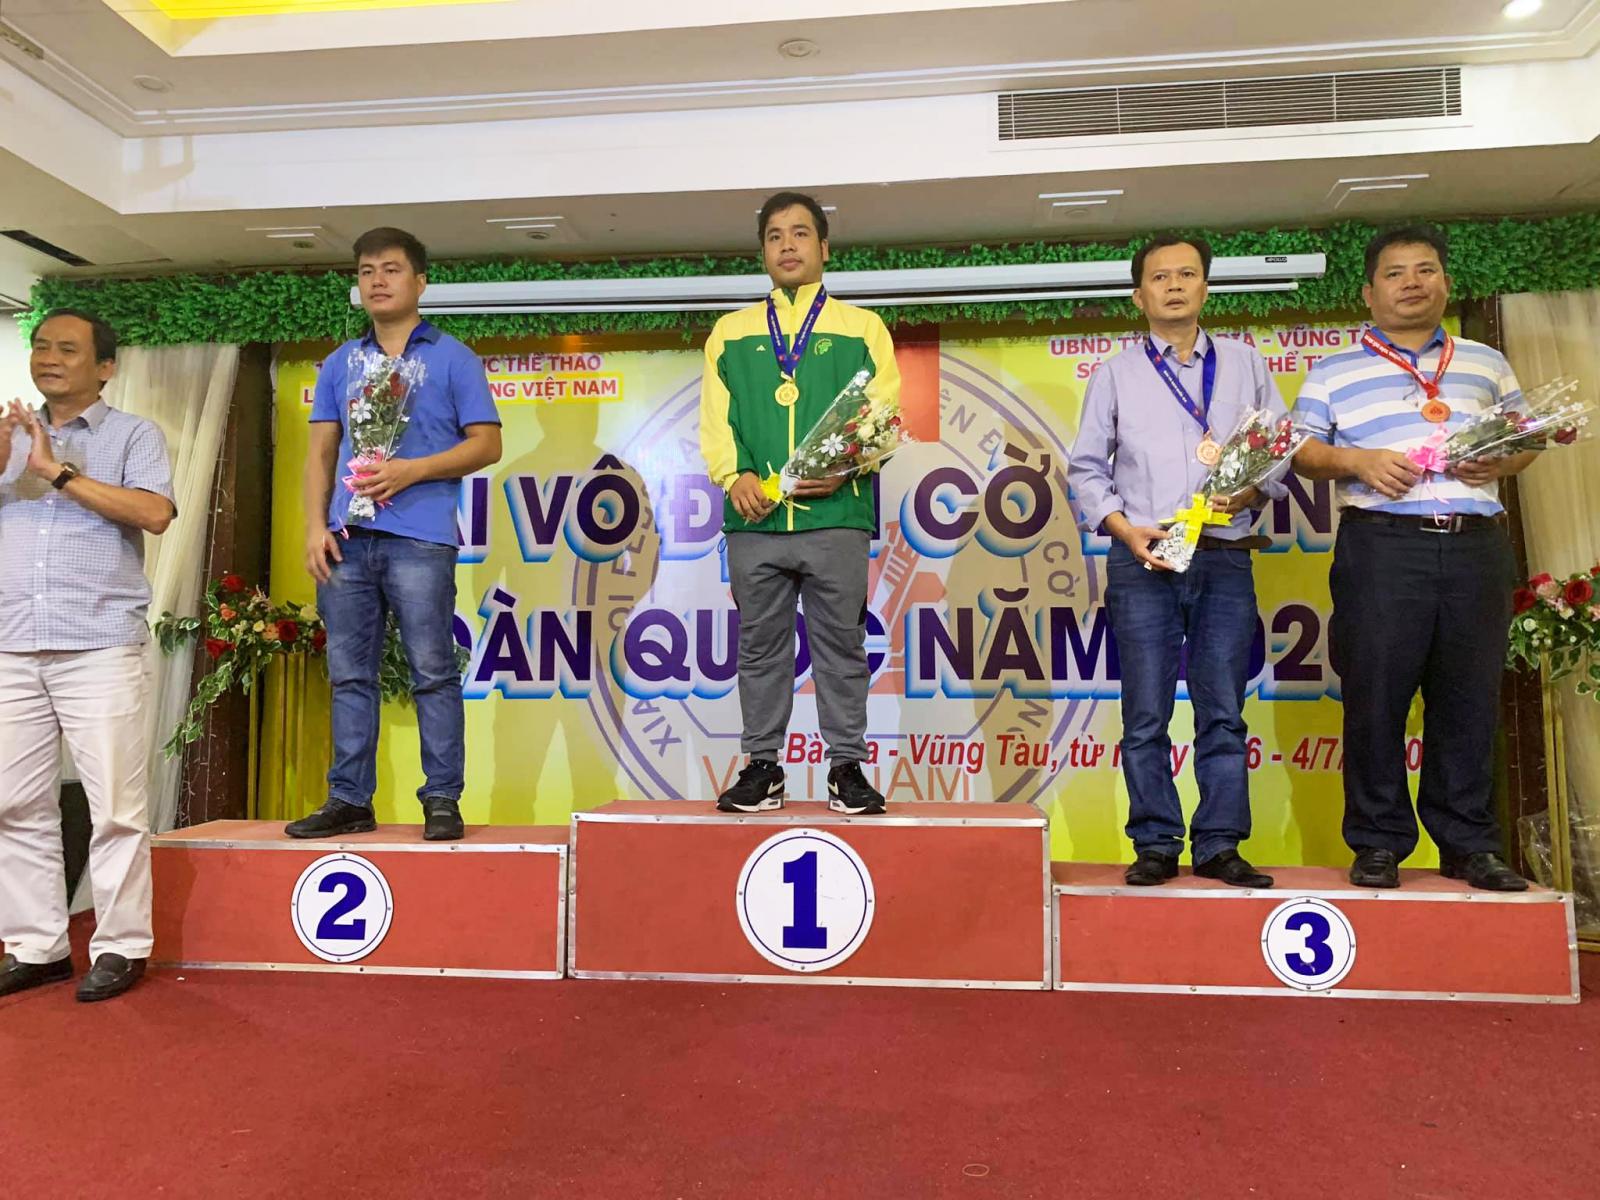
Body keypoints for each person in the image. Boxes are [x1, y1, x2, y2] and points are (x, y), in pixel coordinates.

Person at [1291, 225, 1531, 891]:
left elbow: (1526, 438)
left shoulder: (1486, 362)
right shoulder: (1334, 369)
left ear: (1446, 283)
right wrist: (1357, 460)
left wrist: (1502, 460)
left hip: (1477, 543)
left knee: (1469, 697)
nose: (1412, 283)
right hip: (1383, 547)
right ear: (1369, 293)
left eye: (1425, 270)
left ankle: (1469, 844)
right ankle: (1378, 842)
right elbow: (1302, 452)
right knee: (1375, 696)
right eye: (1395, 273)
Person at [1067, 235, 1286, 888]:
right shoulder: (1115, 374)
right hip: (1145, 560)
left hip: (1224, 556)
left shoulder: (1246, 365)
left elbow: (1277, 448)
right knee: (1145, 714)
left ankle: (1220, 845)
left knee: (1224, 711)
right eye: (1160, 277)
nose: (1174, 286)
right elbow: (1086, 469)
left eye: (1187, 274)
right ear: (1139, 296)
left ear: (1205, 288)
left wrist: (1251, 491)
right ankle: (1155, 843)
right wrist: (1125, 530)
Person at [287, 228, 501, 842]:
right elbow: (320, 454)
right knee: (348, 674)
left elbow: (488, 444)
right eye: (366, 272)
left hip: (420, 539)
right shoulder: (340, 363)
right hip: (347, 537)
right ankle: (349, 798)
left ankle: (442, 798)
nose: (377, 281)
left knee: (432, 669)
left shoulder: (452, 357)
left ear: (420, 282)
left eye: (391, 269)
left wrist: (413, 470)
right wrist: (314, 527)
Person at [699, 191, 900, 814]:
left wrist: (842, 468)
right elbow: (716, 419)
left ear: (824, 248)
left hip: (836, 515)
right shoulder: (731, 332)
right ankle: (764, 767)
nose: (788, 245)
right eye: (775, 236)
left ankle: (847, 768)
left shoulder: (863, 328)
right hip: (754, 518)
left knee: (842, 646)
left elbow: (882, 416)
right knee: (760, 649)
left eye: (800, 233)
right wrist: (734, 476)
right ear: (763, 251)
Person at [0, 309, 175, 1002]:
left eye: (68, 349)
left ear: (105, 367)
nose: (49, 357)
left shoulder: (134, 434)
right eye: (41, 345)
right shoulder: (10, 435)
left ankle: (122, 944)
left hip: (98, 645)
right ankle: (37, 946)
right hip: (12, 642)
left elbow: (155, 514)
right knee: (14, 804)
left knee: (117, 810)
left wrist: (56, 472)